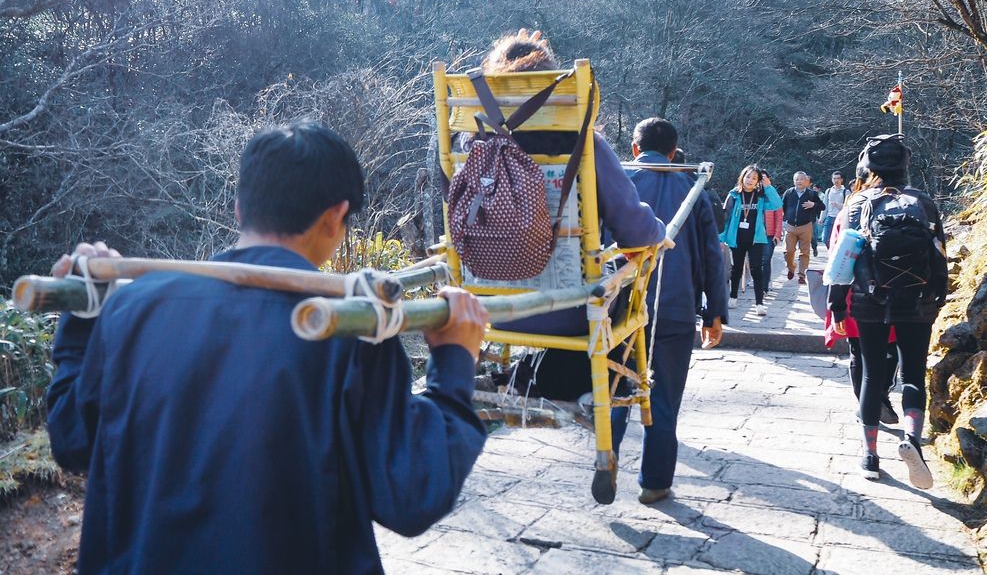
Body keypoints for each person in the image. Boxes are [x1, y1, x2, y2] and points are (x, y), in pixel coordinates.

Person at [47, 122, 490, 574]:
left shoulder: (129, 309)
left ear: (240, 208)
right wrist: (454, 361)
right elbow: (413, 492)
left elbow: (71, 441)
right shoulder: (346, 327)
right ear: (336, 216)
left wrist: (83, 319)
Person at [471, 30, 665, 400]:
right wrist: (657, 230)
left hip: (487, 305)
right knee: (616, 288)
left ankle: (525, 377)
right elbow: (637, 232)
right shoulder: (583, 144)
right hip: (568, 312)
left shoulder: (470, 144)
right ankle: (585, 385)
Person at [610, 118, 728, 504]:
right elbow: (712, 255)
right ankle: (654, 482)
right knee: (664, 397)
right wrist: (715, 312)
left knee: (614, 389)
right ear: (675, 152)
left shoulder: (618, 184)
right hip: (676, 308)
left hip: (621, 307)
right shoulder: (694, 189)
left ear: (634, 148)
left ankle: (605, 464)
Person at [829, 134, 948, 488]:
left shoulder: (857, 203)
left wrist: (837, 304)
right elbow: (940, 255)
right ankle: (912, 441)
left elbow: (843, 261)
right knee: (913, 373)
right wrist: (938, 297)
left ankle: (870, 456)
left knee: (871, 374)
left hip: (869, 299)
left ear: (868, 166)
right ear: (904, 165)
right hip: (918, 300)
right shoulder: (924, 203)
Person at [823, 166, 899, 425]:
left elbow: (838, 260)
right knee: (890, 348)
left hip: (856, 292)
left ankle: (868, 404)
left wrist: (836, 305)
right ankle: (881, 398)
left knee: (859, 351)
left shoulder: (851, 211)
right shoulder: (908, 205)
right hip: (898, 293)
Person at [720, 165, 783, 316]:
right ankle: (733, 297)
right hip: (737, 238)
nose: (750, 180)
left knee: (756, 270)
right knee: (737, 269)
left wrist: (768, 187)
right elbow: (725, 218)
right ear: (742, 177)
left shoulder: (761, 195)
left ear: (758, 182)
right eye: (748, 176)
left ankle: (759, 304)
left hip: (756, 239)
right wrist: (721, 238)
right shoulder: (734, 195)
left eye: (754, 178)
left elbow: (777, 204)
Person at [781, 171, 825, 284]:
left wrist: (813, 205)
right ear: (793, 181)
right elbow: (782, 207)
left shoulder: (812, 194)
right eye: (796, 179)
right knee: (788, 251)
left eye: (801, 179)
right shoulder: (789, 192)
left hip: (806, 226)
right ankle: (791, 267)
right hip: (790, 226)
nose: (799, 181)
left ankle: (801, 275)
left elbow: (822, 206)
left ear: (806, 181)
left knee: (804, 252)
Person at [759, 169, 784, 295]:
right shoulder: (753, 194)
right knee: (757, 261)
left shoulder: (772, 196)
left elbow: (779, 216)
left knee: (766, 259)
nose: (761, 181)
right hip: (755, 234)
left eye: (764, 178)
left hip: (769, 234)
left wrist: (777, 234)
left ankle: (764, 287)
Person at [821, 171, 851, 251]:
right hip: (829, 217)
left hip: (841, 218)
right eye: (834, 178)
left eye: (838, 178)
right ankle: (832, 251)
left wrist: (838, 205)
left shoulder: (846, 192)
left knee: (839, 239)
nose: (836, 180)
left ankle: (835, 253)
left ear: (842, 180)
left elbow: (848, 207)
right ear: (832, 180)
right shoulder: (828, 191)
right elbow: (825, 205)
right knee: (825, 238)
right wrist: (821, 218)